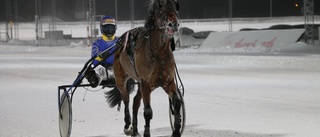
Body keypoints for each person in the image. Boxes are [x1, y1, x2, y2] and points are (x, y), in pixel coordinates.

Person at [85, 16, 118, 88]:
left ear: (115, 28)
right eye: (107, 28)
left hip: (118, 68)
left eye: (111, 28)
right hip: (104, 69)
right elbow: (94, 60)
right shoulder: (97, 43)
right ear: (102, 29)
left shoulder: (120, 42)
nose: (109, 30)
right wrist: (100, 56)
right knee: (100, 70)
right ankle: (95, 80)